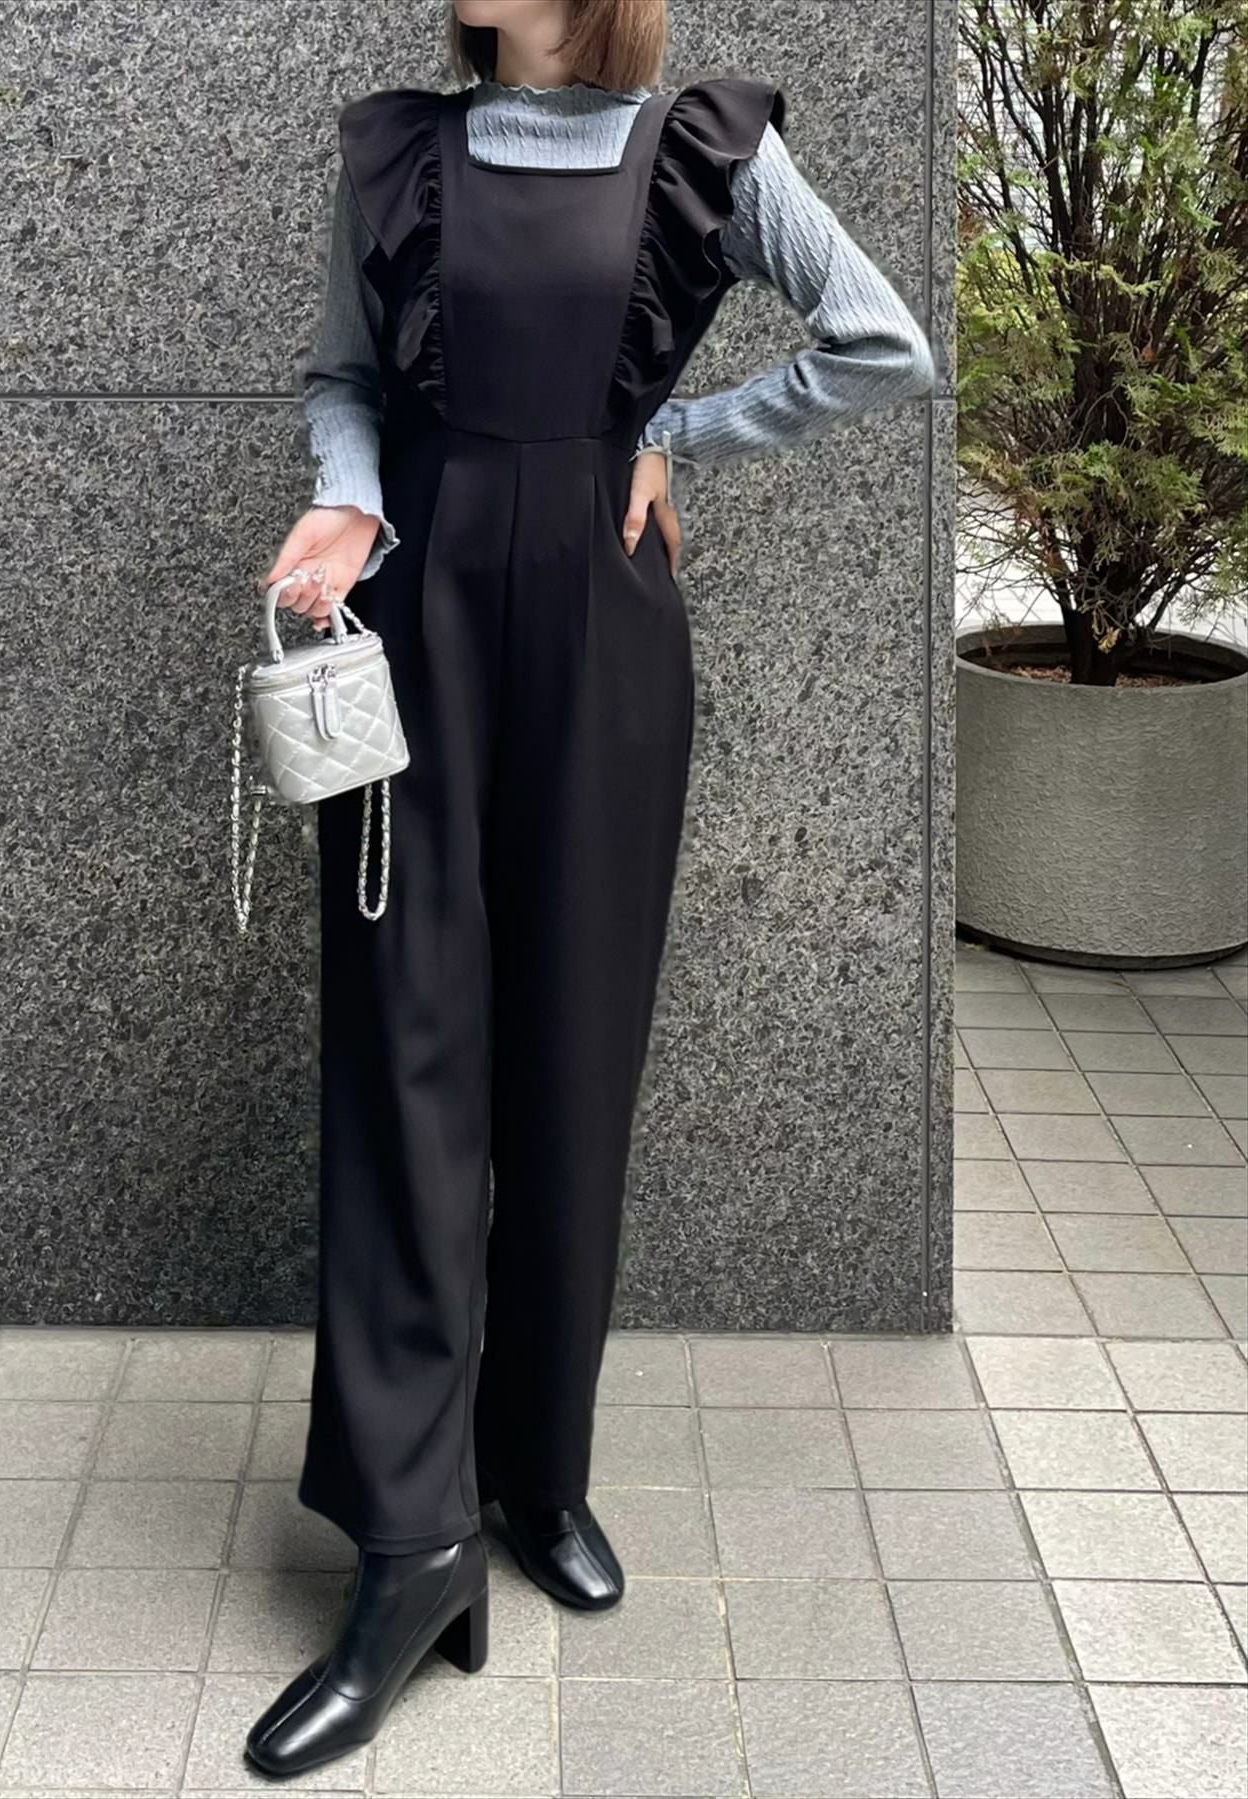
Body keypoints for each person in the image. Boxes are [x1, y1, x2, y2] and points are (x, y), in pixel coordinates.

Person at [246, 0, 935, 1776]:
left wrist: (680, 431)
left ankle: (536, 1472)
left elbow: (884, 343)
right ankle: (410, 1544)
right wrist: (345, 501)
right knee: (404, 1063)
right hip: (413, 625)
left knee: (573, 1063)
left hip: (606, 644)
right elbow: (342, 377)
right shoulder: (399, 151)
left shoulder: (701, 152)